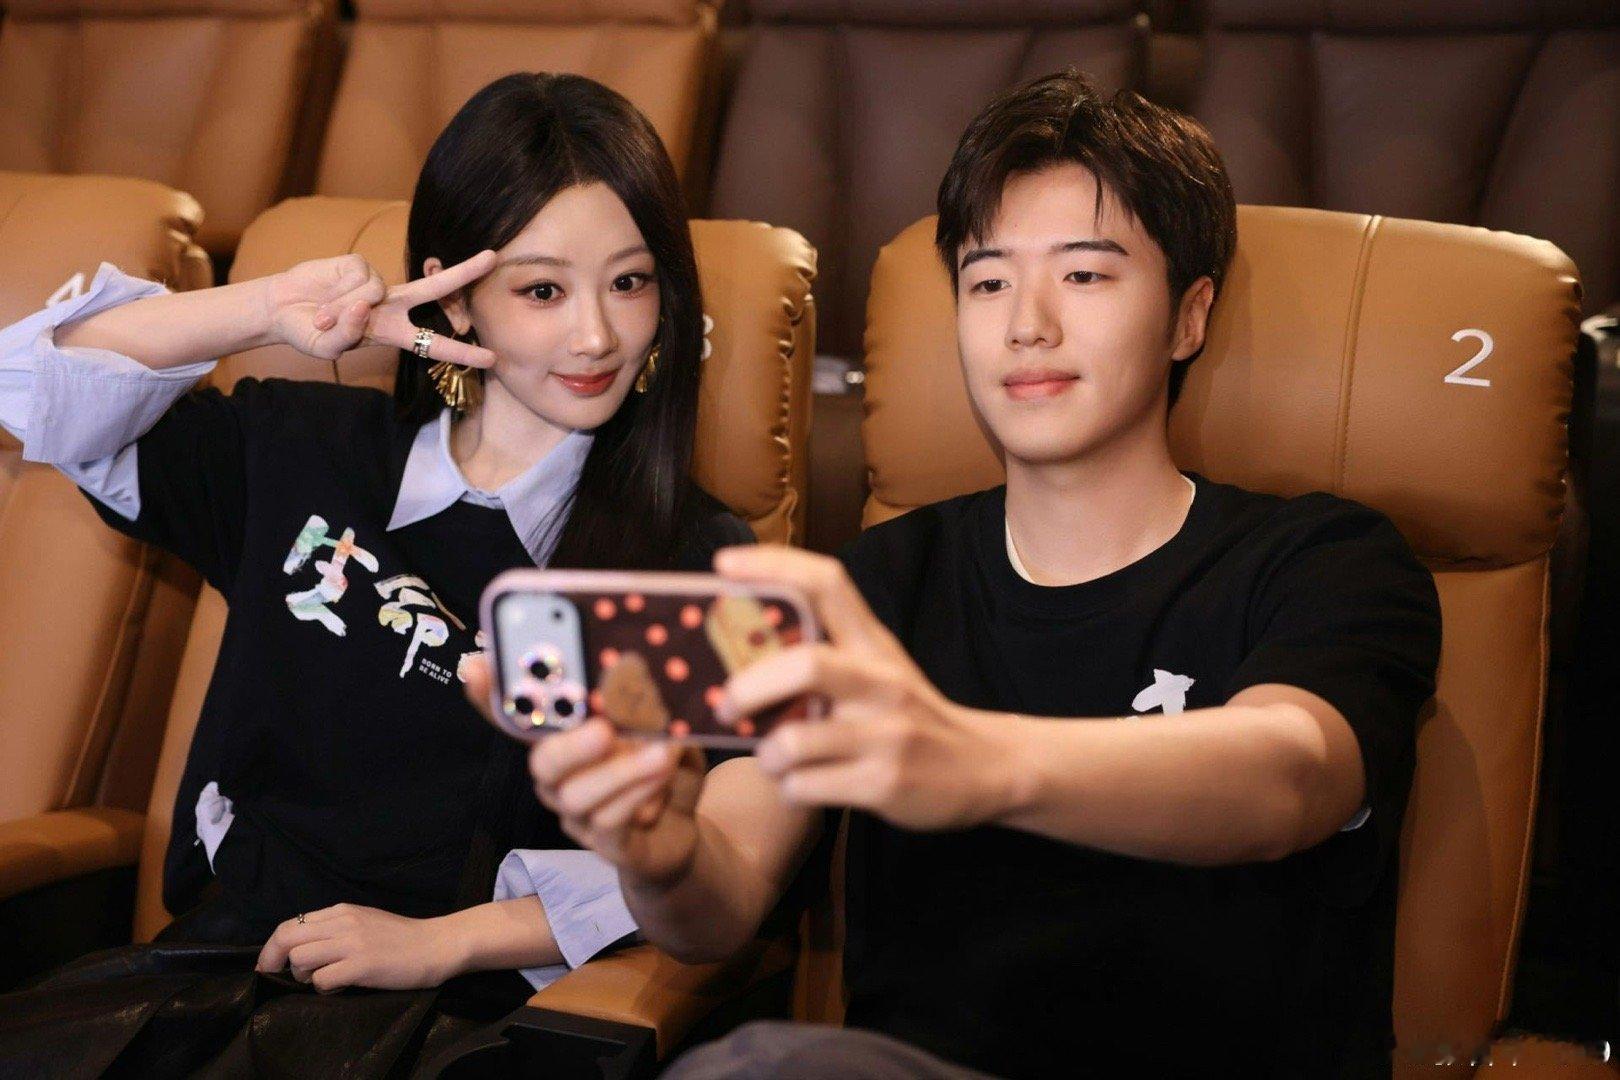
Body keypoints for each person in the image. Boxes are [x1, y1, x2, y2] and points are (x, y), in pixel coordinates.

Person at [478, 70, 1442, 1079]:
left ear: (1188, 316)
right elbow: (719, 903)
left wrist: (967, 761)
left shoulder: (1323, 559)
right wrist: (660, 854)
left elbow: (1291, 777)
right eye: (987, 283)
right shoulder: (879, 582)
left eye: (1085, 275)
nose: (1027, 324)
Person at [0, 72, 748, 1076]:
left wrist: (446, 941)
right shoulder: (299, 450)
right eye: (542, 290)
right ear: (456, 295)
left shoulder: (693, 559)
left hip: (458, 1026)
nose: (596, 336)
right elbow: (28, 389)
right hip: (215, 980)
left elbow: (718, 865)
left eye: (631, 282)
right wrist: (268, 306)